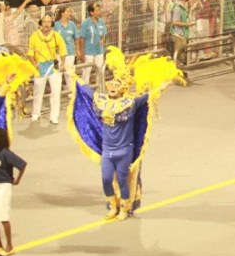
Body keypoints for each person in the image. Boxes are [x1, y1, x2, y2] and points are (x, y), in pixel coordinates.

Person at [68, 48, 183, 220]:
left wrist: (166, 81)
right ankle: (112, 204)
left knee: (123, 180)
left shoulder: (131, 102)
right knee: (106, 179)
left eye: (116, 85)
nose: (112, 87)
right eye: (111, 85)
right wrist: (73, 76)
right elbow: (86, 91)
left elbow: (151, 95)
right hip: (108, 150)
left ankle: (124, 207)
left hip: (124, 150)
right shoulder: (102, 101)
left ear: (122, 89)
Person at [26, 14, 65, 125]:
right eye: (44, 22)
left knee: (56, 92)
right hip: (40, 67)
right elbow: (30, 53)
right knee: (38, 91)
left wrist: (62, 63)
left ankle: (54, 116)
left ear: (51, 23)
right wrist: (34, 64)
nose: (46, 24)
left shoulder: (56, 36)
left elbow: (62, 50)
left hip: (53, 66)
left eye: (48, 22)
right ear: (41, 23)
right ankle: (36, 113)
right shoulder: (34, 36)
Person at [0, 129, 25, 255]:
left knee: (3, 217)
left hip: (3, 186)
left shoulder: (6, 154)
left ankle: (9, 245)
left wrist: (17, 180)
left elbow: (22, 165)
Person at [77, 2, 108, 87]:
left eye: (99, 10)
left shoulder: (101, 21)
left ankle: (100, 89)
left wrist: (102, 40)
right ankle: (85, 90)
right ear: (91, 12)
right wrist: (82, 52)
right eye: (97, 10)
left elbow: (103, 34)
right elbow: (82, 38)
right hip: (88, 51)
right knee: (87, 71)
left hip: (99, 50)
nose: (99, 12)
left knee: (100, 70)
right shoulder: (86, 23)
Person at [54, 6, 80, 95]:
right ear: (62, 13)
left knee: (69, 73)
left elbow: (76, 38)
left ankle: (71, 91)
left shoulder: (72, 24)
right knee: (58, 73)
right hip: (58, 53)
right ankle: (57, 92)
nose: (70, 13)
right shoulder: (56, 25)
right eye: (68, 11)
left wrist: (78, 50)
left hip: (70, 52)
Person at [169, 0, 195, 65]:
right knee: (178, 55)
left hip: (182, 34)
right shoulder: (177, 8)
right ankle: (177, 71)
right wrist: (188, 24)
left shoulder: (182, 6)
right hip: (178, 34)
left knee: (181, 55)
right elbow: (175, 22)